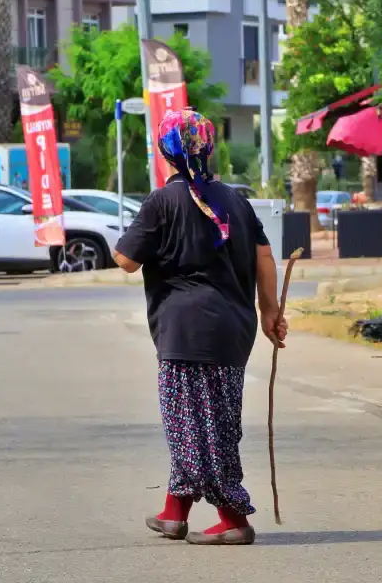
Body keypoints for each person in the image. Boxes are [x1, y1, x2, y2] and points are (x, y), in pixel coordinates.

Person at [114, 109, 287, 546]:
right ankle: (175, 511)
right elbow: (265, 258)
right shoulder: (236, 200)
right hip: (234, 330)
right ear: (209, 148)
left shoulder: (161, 202)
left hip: (185, 331)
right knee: (211, 422)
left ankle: (233, 517)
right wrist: (269, 312)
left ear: (166, 152)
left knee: (193, 427)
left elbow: (125, 260)